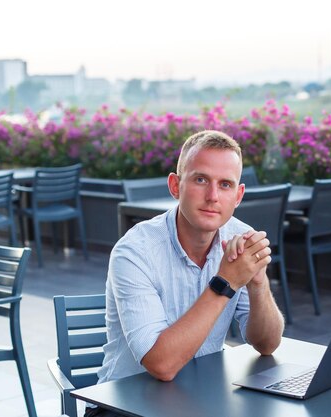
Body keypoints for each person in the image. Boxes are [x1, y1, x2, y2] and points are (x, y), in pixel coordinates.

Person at [86, 130, 285, 417]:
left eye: (225, 184)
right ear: (175, 185)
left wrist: (257, 282)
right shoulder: (134, 251)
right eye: (200, 179)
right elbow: (161, 366)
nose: (213, 196)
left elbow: (267, 344)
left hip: (200, 398)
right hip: (123, 407)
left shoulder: (240, 238)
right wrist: (226, 281)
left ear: (238, 196)